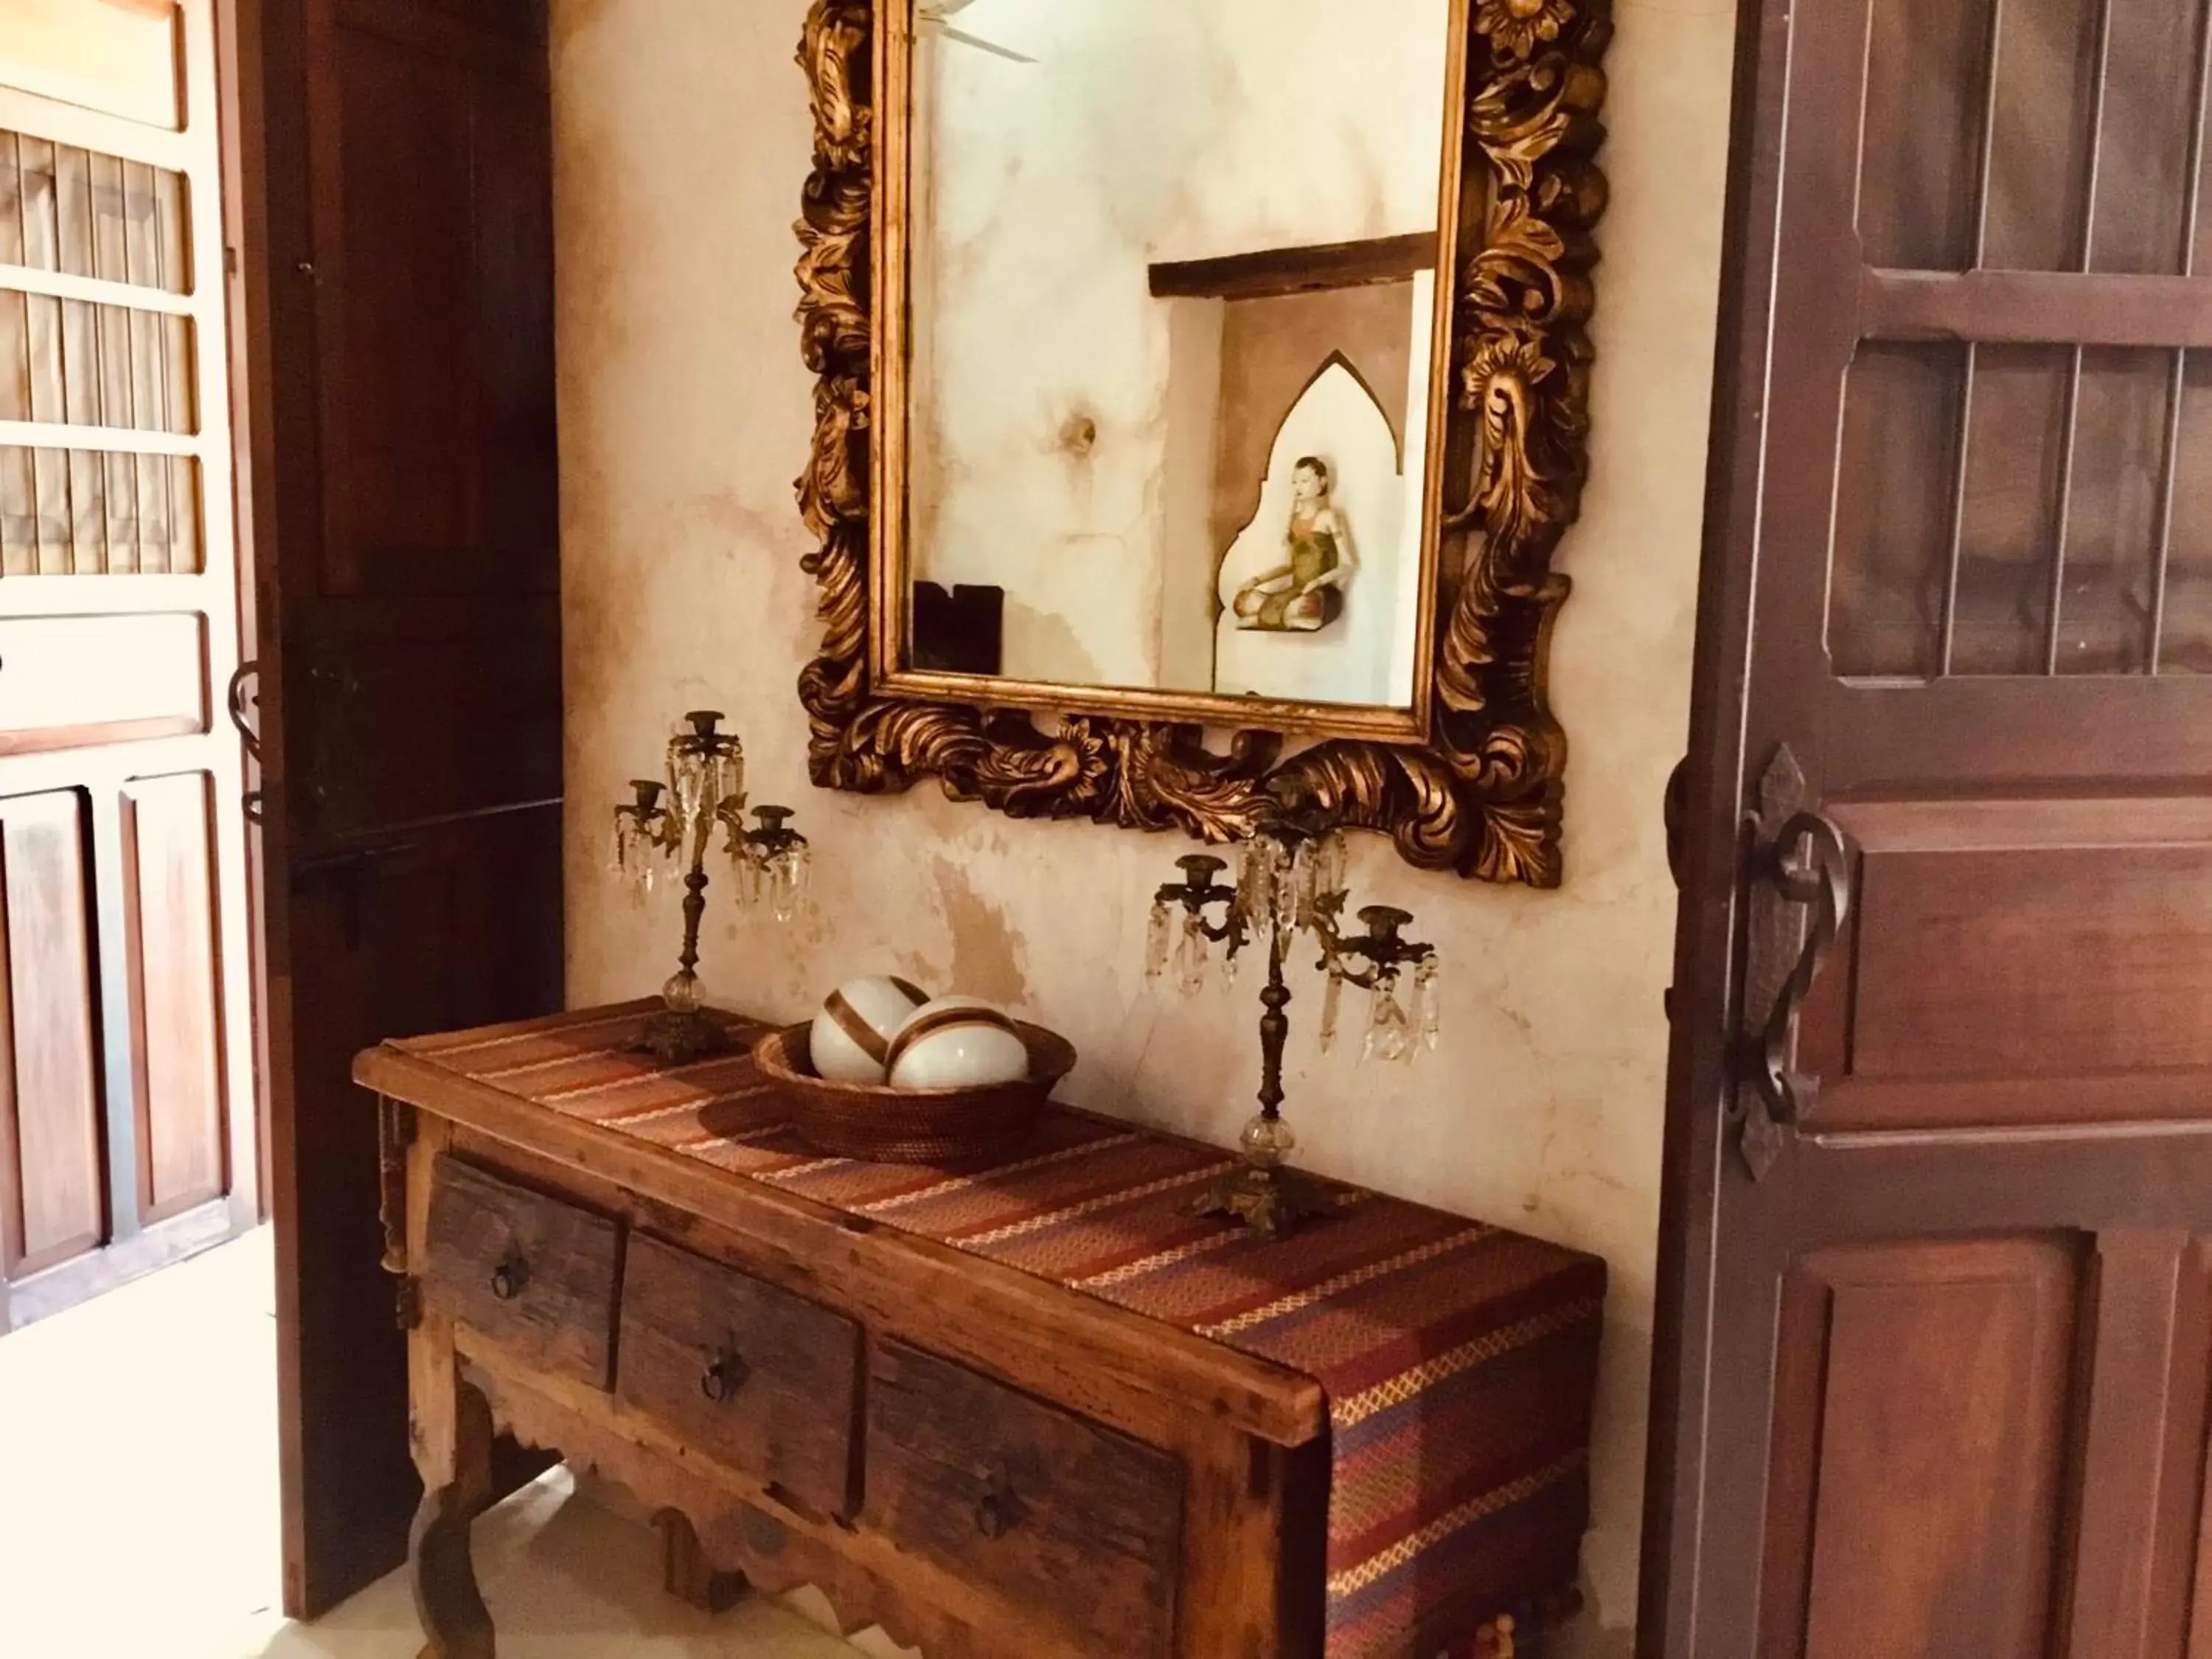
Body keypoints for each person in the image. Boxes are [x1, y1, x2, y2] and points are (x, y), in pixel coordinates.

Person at [1231, 456, 1356, 632]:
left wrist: (1317, 582)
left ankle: (1270, 618)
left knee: (1309, 605)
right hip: (1295, 590)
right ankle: (1287, 618)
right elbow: (1289, 566)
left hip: (1319, 592)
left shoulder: (1328, 517)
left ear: (1322, 482)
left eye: (1305, 481)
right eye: (1295, 482)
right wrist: (1256, 580)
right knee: (1243, 601)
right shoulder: (1294, 521)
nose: (1298, 487)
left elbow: (1348, 565)